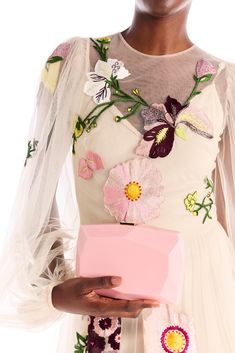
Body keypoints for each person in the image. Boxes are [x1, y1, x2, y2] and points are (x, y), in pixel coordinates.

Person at [1, 0, 235, 352]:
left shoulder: (225, 83)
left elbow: (228, 213)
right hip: (101, 304)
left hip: (199, 300)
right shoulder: (73, 62)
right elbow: (36, 188)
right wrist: (54, 288)